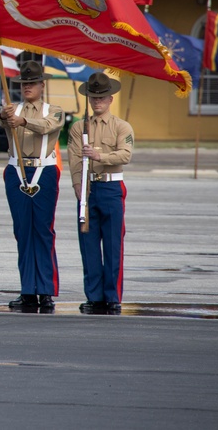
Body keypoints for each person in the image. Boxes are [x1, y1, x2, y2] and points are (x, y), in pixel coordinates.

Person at [0, 60, 64, 311]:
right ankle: (28, 290)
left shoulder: (53, 109)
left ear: (41, 85)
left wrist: (22, 121)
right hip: (17, 169)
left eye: (32, 83)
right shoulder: (11, 109)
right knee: (23, 232)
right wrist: (6, 117)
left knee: (43, 231)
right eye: (23, 83)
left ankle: (46, 290)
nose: (27, 87)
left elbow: (49, 126)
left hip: (43, 170)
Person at [66, 72, 134, 315]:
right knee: (89, 244)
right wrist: (77, 186)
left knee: (113, 244)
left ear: (110, 99)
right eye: (93, 97)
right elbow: (73, 158)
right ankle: (94, 296)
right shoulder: (78, 127)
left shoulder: (121, 126)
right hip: (88, 188)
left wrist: (99, 156)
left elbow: (125, 155)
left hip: (111, 187)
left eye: (102, 97)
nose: (97, 101)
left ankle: (112, 296)